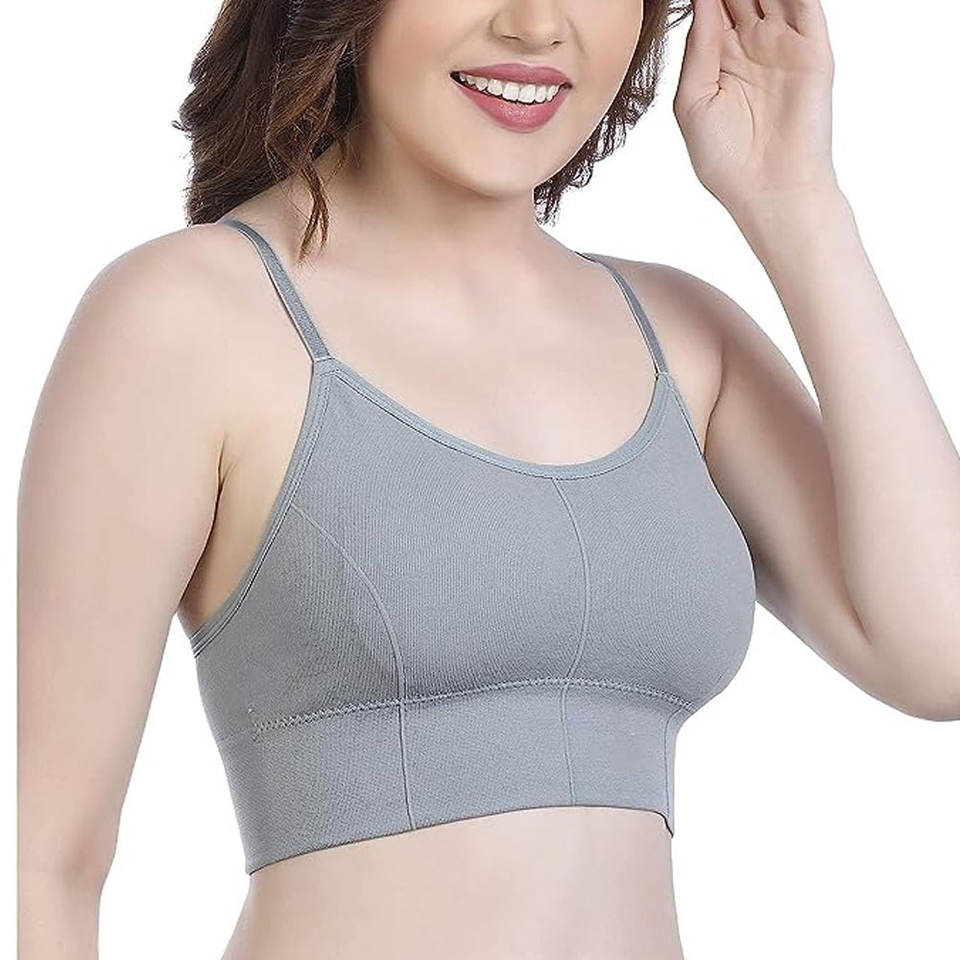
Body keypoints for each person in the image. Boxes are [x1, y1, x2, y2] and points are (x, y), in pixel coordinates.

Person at [18, 0, 960, 957]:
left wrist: (800, 205)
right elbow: (42, 863)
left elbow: (941, 654)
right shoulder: (190, 316)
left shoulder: (685, 339)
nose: (538, 25)